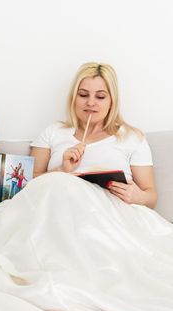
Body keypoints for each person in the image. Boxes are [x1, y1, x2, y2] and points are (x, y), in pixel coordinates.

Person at [30, 62, 157, 208]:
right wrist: (61, 170)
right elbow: (26, 185)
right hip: (58, 212)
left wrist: (139, 197)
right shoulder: (52, 132)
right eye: (83, 95)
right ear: (74, 98)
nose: (90, 102)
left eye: (100, 97)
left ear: (112, 102)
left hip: (112, 217)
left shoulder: (132, 138)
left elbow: (151, 197)